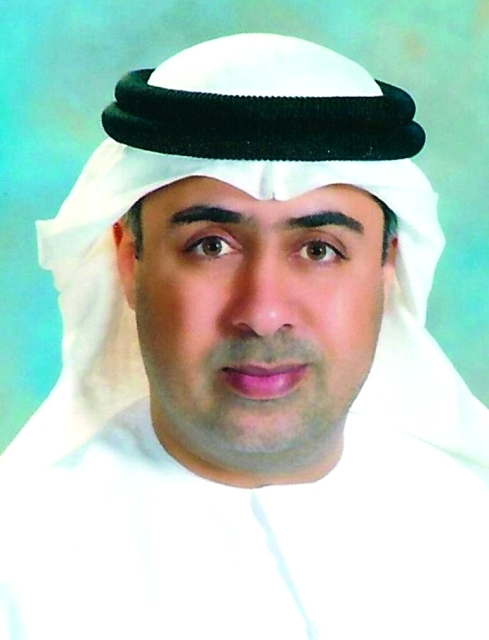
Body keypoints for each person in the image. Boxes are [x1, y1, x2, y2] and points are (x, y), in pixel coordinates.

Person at [1, 33, 488, 640]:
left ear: (387, 267)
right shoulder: (18, 561)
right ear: (129, 260)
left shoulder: (472, 527)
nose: (262, 313)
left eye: (319, 250)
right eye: (211, 246)